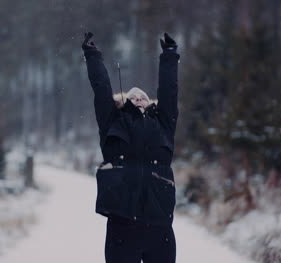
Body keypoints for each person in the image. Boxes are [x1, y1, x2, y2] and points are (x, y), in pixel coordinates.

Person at [82, 31, 180, 263]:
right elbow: (101, 89)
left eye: (142, 97)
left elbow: (169, 92)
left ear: (151, 103)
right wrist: (92, 55)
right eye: (132, 97)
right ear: (122, 102)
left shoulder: (163, 123)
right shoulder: (113, 121)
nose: (138, 98)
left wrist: (169, 55)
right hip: (122, 224)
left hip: (159, 224)